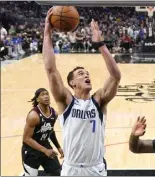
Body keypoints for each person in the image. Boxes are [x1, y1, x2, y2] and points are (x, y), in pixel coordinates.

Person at [42, 8, 121, 176]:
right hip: (71, 168)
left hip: (95, 168)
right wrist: (47, 33)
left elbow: (116, 76)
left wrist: (100, 44)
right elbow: (50, 69)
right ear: (72, 83)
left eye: (87, 73)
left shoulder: (99, 100)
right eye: (80, 74)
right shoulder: (65, 100)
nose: (86, 75)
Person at [22, 88, 63, 176]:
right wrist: (45, 150)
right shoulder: (33, 116)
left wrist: (59, 147)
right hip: (31, 151)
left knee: (57, 173)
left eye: (47, 94)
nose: (46, 97)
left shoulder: (54, 114)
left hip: (45, 146)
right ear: (37, 99)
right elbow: (26, 138)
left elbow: (50, 131)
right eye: (43, 95)